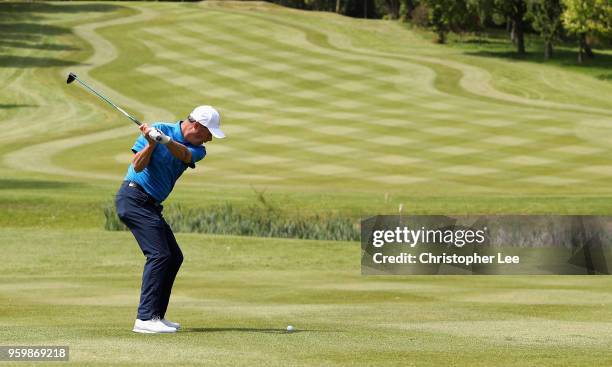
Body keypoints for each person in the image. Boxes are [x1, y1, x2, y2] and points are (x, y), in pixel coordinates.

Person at [115, 105, 225, 333]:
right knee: (159, 254)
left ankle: (156, 316)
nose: (210, 139)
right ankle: (144, 319)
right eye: (209, 133)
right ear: (197, 126)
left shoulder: (198, 150)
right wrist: (151, 143)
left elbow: (184, 154)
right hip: (133, 197)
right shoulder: (159, 130)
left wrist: (164, 141)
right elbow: (137, 165)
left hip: (151, 205)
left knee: (174, 256)